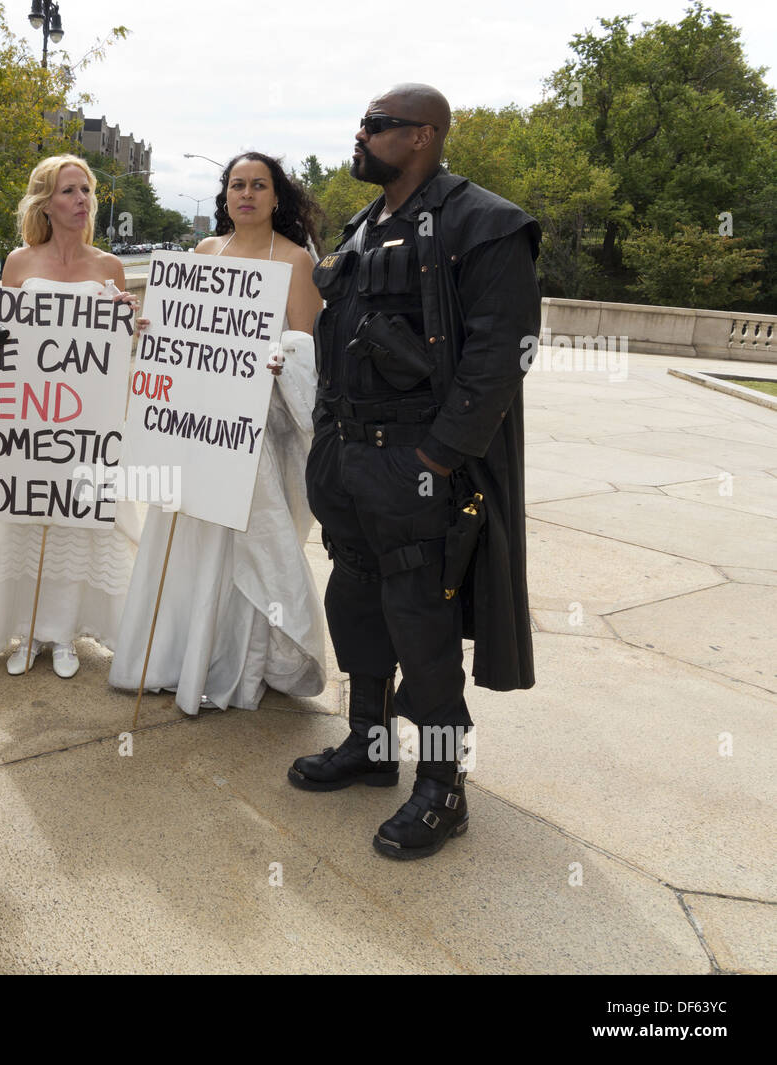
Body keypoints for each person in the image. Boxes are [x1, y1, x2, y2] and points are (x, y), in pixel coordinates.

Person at [288, 84, 539, 860]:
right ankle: (368, 743)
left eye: (377, 126)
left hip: (417, 469)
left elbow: (504, 355)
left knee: (423, 628)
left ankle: (443, 786)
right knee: (357, 606)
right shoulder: (367, 226)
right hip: (350, 460)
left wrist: (436, 454)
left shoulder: (486, 224)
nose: (359, 136)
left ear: (423, 135)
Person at [108, 152, 328, 716]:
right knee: (185, 545)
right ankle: (173, 657)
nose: (247, 194)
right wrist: (146, 326)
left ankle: (235, 662)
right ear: (224, 195)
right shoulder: (206, 252)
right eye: (237, 185)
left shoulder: (297, 262)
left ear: (278, 197)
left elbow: (306, 347)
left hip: (251, 437)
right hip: (191, 433)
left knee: (246, 549)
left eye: (259, 185)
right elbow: (178, 337)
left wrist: (281, 357)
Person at [0, 154, 139, 678]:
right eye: (69, 191)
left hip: (83, 427)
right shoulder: (19, 263)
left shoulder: (109, 268)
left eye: (86, 191)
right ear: (45, 202)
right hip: (29, 428)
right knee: (25, 524)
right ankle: (26, 630)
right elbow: (12, 346)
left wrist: (129, 326)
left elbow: (115, 354)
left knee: (78, 525)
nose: (81, 201)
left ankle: (64, 633)